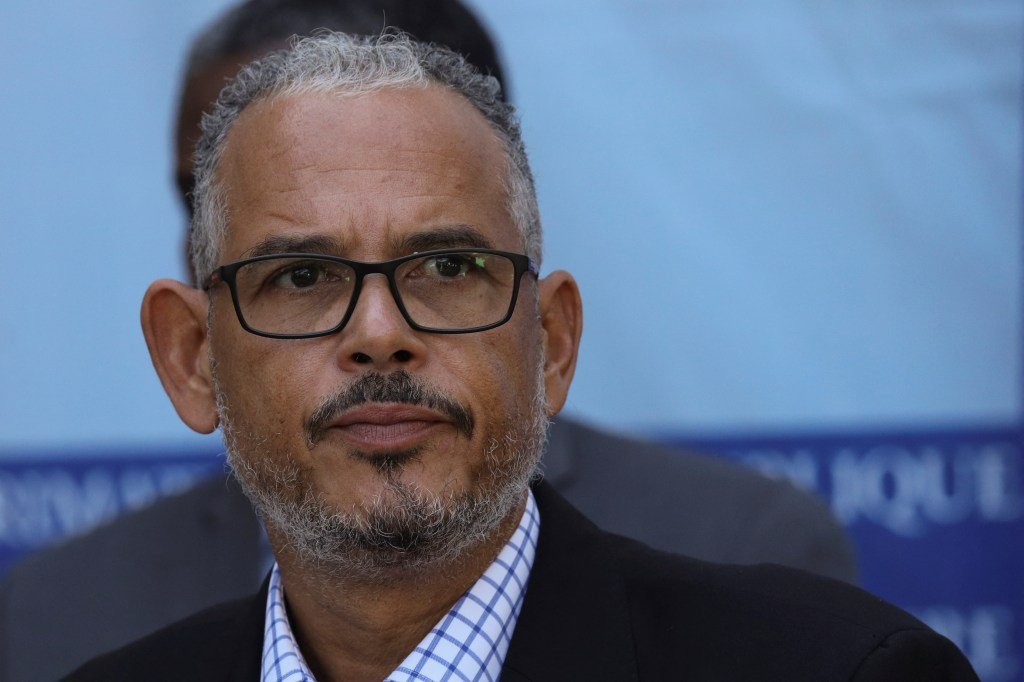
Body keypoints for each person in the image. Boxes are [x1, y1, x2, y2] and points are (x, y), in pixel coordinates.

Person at [64, 32, 975, 681]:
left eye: (449, 266)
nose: (379, 330)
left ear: (552, 344)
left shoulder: (835, 669)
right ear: (191, 360)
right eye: (301, 276)